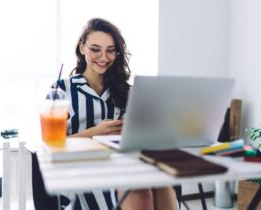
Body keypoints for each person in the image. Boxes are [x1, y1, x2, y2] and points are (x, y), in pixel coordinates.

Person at [53, 18, 179, 210]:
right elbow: (52, 145)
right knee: (140, 192)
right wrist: (95, 134)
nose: (103, 57)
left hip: (122, 161)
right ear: (82, 48)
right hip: (81, 167)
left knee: (161, 183)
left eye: (110, 50)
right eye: (95, 49)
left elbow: (136, 138)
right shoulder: (61, 89)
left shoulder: (125, 91)